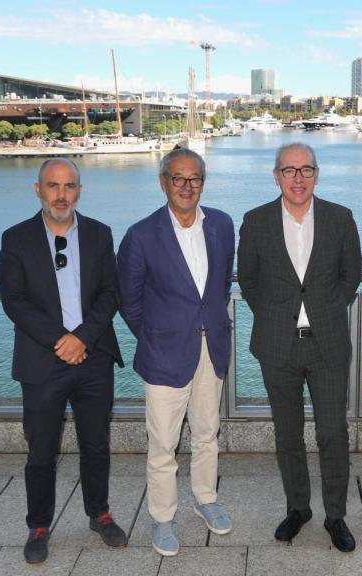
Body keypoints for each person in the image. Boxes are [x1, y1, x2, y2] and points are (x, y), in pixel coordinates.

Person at [0, 158, 127, 564]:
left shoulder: (100, 234)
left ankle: (99, 514)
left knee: (96, 444)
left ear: (79, 191)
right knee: (41, 450)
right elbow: (13, 300)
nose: (61, 195)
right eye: (52, 186)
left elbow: (111, 293)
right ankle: (38, 524)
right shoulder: (15, 238)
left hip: (93, 358)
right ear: (37, 190)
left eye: (69, 186)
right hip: (42, 361)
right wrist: (61, 340)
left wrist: (82, 339)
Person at [237, 142, 362, 552]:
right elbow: (249, 282)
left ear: (317, 174)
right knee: (287, 434)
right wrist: (277, 316)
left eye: (305, 170)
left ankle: (336, 516)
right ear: (276, 176)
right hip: (278, 346)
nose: (297, 178)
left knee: (333, 434)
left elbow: (351, 276)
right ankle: (298, 508)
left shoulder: (340, 218)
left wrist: (324, 310)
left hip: (327, 345)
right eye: (289, 171)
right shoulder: (255, 221)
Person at [117, 148, 235, 557]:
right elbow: (128, 301)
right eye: (178, 178)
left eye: (195, 178)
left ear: (203, 182)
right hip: (164, 354)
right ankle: (163, 518)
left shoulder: (222, 224)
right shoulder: (141, 235)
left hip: (211, 348)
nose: (187, 186)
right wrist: (156, 335)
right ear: (163, 181)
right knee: (162, 444)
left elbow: (219, 289)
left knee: (207, 434)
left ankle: (206, 498)